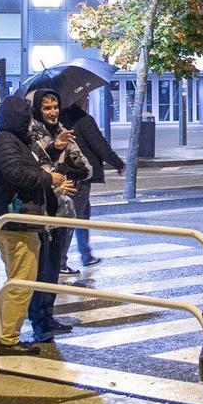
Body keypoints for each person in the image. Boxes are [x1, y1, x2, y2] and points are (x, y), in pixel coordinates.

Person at [0, 93, 72, 358]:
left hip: (21, 220)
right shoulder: (6, 141)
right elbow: (17, 173)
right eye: (26, 117)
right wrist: (49, 179)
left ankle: (5, 335)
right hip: (17, 223)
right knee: (21, 283)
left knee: (18, 281)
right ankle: (7, 339)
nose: (29, 122)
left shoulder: (11, 139)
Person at [24, 87, 92, 340]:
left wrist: (67, 170)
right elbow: (34, 169)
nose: (52, 112)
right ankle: (38, 321)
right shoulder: (31, 134)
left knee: (53, 269)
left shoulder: (64, 131)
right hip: (41, 211)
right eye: (47, 108)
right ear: (38, 110)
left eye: (55, 107)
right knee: (40, 271)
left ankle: (48, 316)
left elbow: (85, 169)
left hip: (63, 210)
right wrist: (54, 154)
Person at [59, 90, 125, 271]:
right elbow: (99, 144)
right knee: (72, 219)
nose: (87, 99)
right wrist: (118, 163)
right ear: (76, 99)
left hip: (70, 174)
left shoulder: (62, 119)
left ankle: (86, 254)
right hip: (81, 175)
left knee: (82, 216)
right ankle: (61, 262)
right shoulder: (83, 120)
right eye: (84, 96)